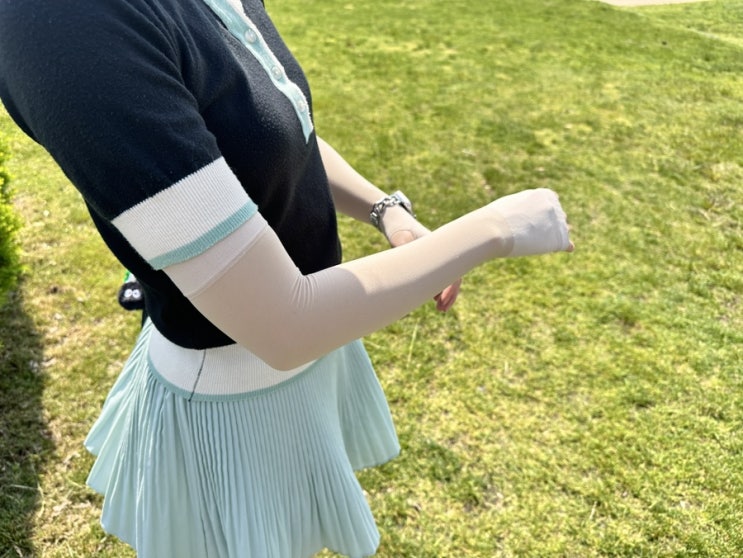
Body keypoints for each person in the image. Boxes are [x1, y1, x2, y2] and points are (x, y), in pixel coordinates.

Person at [0, 0, 573, 556]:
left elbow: (269, 123)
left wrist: (386, 211)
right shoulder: (66, 22)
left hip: (306, 361)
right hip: (231, 409)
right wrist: (498, 228)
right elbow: (283, 325)